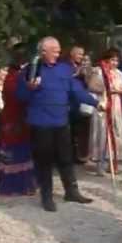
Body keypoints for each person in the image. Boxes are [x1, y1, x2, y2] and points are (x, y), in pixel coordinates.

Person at [16, 36, 101, 212]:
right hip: (41, 122)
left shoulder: (64, 69)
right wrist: (29, 88)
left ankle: (71, 191)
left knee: (66, 158)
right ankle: (46, 196)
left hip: (61, 120)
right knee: (44, 160)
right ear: (43, 52)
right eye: (54, 50)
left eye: (58, 50)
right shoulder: (30, 70)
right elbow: (20, 96)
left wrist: (96, 103)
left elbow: (76, 90)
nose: (58, 53)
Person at [0, 42, 37, 196]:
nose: (22, 58)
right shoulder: (12, 76)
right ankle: (10, 185)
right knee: (12, 151)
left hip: (22, 117)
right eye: (19, 55)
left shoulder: (24, 74)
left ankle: (24, 184)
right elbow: (14, 95)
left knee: (24, 150)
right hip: (12, 117)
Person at [87, 49, 122, 175]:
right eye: (112, 60)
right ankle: (100, 165)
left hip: (115, 106)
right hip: (103, 105)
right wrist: (107, 89)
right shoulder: (99, 71)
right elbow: (91, 86)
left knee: (115, 134)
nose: (114, 63)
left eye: (116, 60)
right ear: (106, 60)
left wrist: (120, 90)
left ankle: (113, 163)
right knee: (102, 134)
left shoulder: (119, 73)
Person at [63, 44, 93, 164]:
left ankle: (78, 155)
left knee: (78, 131)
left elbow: (87, 85)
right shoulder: (65, 66)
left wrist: (86, 75)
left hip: (79, 102)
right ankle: (66, 157)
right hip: (68, 103)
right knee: (67, 132)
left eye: (82, 54)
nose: (81, 57)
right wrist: (77, 73)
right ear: (72, 54)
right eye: (79, 54)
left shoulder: (81, 67)